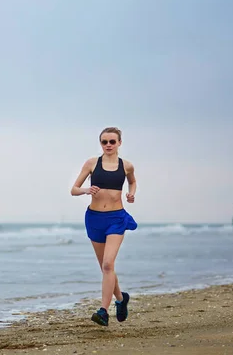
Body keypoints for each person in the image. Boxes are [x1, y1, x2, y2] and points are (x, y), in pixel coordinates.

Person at [70, 126, 138, 327]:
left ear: (119, 143)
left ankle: (103, 311)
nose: (108, 145)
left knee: (108, 264)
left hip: (116, 218)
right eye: (104, 142)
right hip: (94, 218)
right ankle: (121, 299)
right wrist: (85, 190)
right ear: (101, 143)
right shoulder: (92, 163)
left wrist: (131, 194)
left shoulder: (126, 166)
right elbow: (73, 189)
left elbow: (133, 182)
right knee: (104, 267)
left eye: (112, 141)